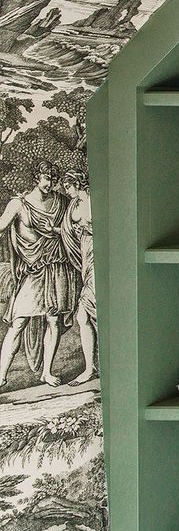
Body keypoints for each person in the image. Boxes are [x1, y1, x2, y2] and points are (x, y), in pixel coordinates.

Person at [0, 160, 78, 387]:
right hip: (33, 269)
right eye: (47, 178)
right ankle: (1, 374)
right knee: (19, 321)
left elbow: (73, 228)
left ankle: (47, 372)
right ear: (37, 177)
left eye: (54, 180)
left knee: (53, 320)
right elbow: (2, 226)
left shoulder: (62, 202)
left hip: (57, 265)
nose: (51, 184)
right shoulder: (19, 204)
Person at [60, 168, 93, 383]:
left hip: (100, 258)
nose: (67, 190)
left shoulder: (93, 201)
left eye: (68, 186)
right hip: (86, 258)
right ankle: (90, 368)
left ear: (78, 183)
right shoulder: (74, 205)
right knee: (85, 316)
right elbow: (67, 231)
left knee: (85, 314)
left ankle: (90, 369)